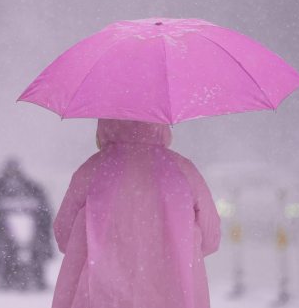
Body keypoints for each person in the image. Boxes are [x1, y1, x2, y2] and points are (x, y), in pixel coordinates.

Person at [52, 119, 221, 308]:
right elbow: (211, 237)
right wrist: (173, 252)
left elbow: (63, 233)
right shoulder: (183, 170)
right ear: (161, 124)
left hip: (102, 293)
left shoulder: (92, 169)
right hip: (172, 292)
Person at [0, 158, 54, 290]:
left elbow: (44, 208)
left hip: (27, 226)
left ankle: (38, 273)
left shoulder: (31, 187)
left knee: (41, 242)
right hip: (1, 228)